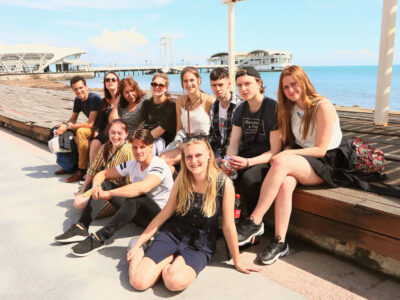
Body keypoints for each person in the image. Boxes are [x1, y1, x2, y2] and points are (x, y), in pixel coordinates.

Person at [238, 65, 344, 265]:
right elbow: (291, 142)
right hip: (303, 160)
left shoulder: (322, 106)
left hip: (326, 163)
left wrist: (287, 153)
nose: (290, 90)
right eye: (286, 87)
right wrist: (288, 150)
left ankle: (255, 220)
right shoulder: (291, 108)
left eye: (294, 84)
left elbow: (321, 150)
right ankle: (280, 242)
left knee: (279, 160)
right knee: (285, 183)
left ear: (304, 82)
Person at [127, 138, 260, 292]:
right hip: (173, 234)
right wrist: (138, 243)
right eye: (189, 157)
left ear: (209, 155)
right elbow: (164, 215)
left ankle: (168, 261)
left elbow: (228, 226)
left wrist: (238, 261)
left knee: (174, 283)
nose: (194, 161)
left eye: (198, 155)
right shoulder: (181, 180)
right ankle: (143, 251)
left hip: (200, 243)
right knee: (139, 282)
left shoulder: (224, 184)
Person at [54, 129, 174, 257]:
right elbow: (103, 174)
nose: (138, 151)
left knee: (135, 196)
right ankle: (82, 227)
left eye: (142, 147)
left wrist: (109, 193)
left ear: (151, 147)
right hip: (139, 214)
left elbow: (142, 188)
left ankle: (100, 237)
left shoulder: (158, 165)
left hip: (158, 218)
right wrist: (96, 187)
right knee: (105, 185)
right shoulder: (133, 164)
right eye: (135, 147)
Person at [221, 66, 281, 234]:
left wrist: (248, 162)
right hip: (245, 156)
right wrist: (228, 161)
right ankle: (228, 221)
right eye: (239, 85)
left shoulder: (272, 108)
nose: (243, 89)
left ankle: (255, 225)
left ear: (259, 83)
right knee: (221, 176)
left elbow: (275, 151)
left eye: (247, 83)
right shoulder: (240, 110)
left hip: (266, 159)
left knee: (250, 177)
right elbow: (233, 144)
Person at [160, 67, 214, 171]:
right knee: (160, 160)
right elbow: (179, 128)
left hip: (203, 143)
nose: (189, 84)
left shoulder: (209, 101)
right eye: (185, 81)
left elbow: (215, 130)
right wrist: (180, 142)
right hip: (185, 141)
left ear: (199, 80)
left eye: (192, 80)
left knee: (163, 162)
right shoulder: (180, 101)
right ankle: (176, 180)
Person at [75, 119, 133, 209]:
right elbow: (93, 169)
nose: (116, 136)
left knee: (81, 204)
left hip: (119, 193)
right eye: (113, 133)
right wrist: (82, 190)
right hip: (104, 186)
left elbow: (130, 182)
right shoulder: (106, 147)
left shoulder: (129, 151)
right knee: (78, 201)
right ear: (108, 133)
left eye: (120, 133)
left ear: (126, 134)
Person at [55, 75, 102, 182]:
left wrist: (69, 126)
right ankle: (68, 165)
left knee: (80, 132)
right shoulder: (78, 100)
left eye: (81, 88)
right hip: (92, 127)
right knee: (61, 130)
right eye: (76, 89)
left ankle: (81, 170)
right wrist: (64, 126)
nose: (79, 91)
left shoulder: (94, 98)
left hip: (99, 128)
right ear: (73, 89)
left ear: (86, 86)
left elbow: (90, 124)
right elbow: (73, 118)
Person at [208, 67, 241, 161]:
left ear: (229, 84)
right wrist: (206, 150)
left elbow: (240, 140)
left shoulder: (239, 106)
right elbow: (213, 134)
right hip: (217, 149)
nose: (217, 89)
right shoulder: (214, 107)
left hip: (233, 153)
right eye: (214, 85)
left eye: (220, 85)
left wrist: (220, 157)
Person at [140, 73, 177, 153]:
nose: (157, 87)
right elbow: (141, 124)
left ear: (166, 88)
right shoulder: (146, 103)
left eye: (161, 85)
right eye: (154, 84)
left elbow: (161, 129)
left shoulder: (171, 104)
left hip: (165, 142)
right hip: (149, 138)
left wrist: (142, 142)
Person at [89, 72, 120, 165]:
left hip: (119, 131)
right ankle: (92, 172)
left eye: (113, 79)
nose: (110, 81)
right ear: (105, 84)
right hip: (106, 131)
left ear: (118, 82)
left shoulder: (123, 99)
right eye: (107, 80)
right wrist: (96, 133)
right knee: (94, 143)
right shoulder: (104, 101)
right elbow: (100, 122)